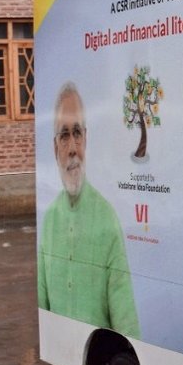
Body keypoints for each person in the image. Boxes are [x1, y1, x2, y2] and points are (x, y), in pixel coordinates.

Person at [37, 82, 140, 337]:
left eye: (77, 133)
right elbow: (42, 306)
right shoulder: (49, 219)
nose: (72, 147)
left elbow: (126, 324)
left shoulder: (106, 218)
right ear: (55, 148)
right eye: (64, 135)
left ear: (86, 139)